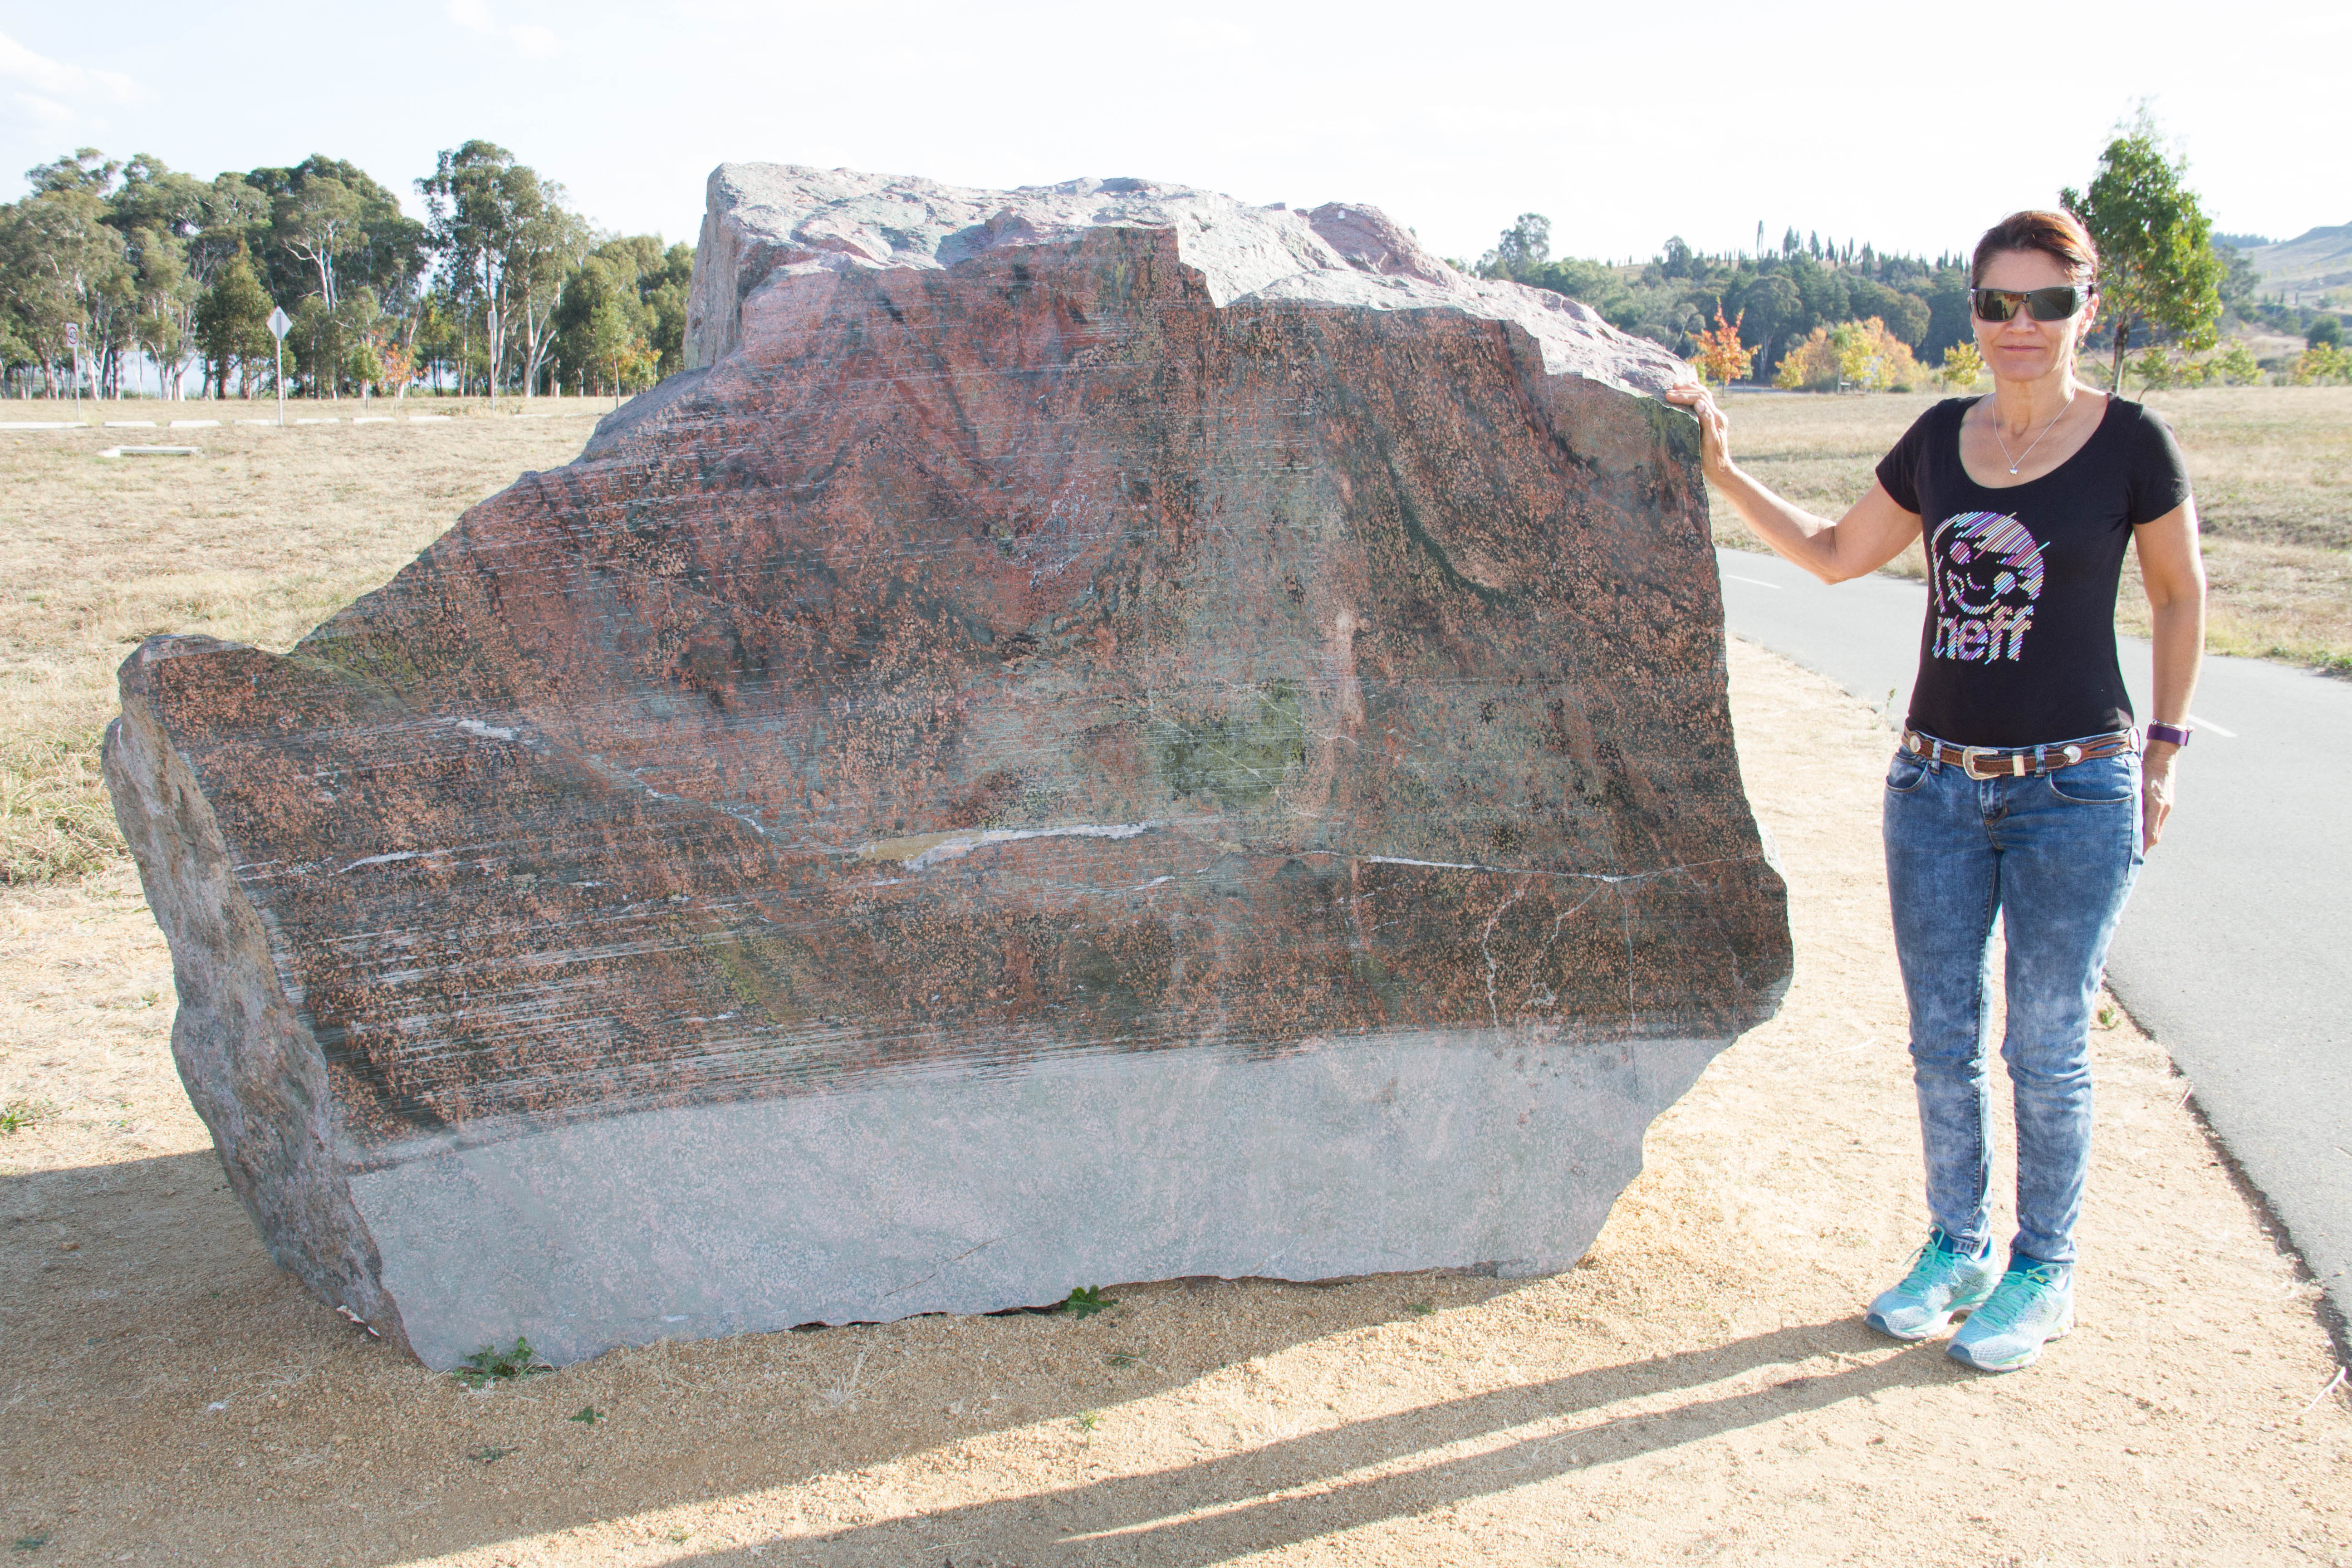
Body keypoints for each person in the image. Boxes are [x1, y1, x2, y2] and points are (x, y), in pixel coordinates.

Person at [1664, 209, 2206, 1372]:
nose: (2022, 327)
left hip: (2076, 790)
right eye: (2000, 304)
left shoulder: (2131, 445)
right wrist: (1721, 473)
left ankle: (2043, 1267)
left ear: (2085, 311)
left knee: (2048, 1041)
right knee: (1941, 1038)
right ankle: (1957, 1246)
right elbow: (1831, 551)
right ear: (1974, 312)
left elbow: (2176, 595)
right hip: (1936, 789)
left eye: (2048, 304)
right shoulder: (1937, 440)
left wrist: (2161, 749)